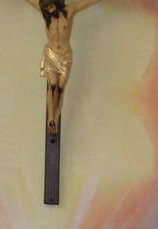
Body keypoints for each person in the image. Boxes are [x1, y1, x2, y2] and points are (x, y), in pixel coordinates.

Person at [23, 0, 103, 135]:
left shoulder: (69, 10)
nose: (49, 9)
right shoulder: (44, 9)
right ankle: (51, 119)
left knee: (60, 89)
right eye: (47, 7)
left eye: (50, 6)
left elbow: (87, 2)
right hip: (51, 54)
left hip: (65, 56)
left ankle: (55, 119)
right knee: (53, 85)